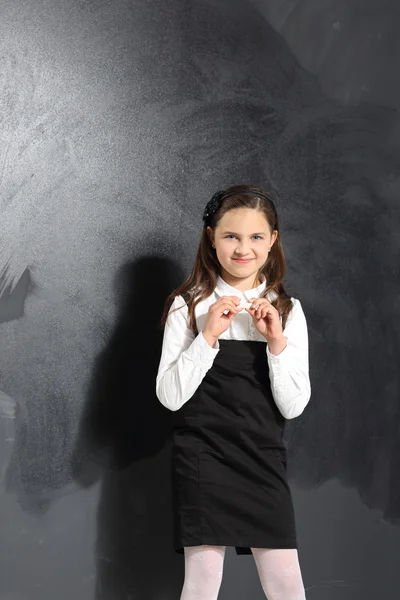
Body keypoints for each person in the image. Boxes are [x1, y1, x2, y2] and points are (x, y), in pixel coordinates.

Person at [156, 184, 311, 600]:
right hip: (203, 457)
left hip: (262, 458)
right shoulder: (187, 306)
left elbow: (293, 406)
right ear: (211, 237)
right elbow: (170, 397)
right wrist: (206, 335)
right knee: (202, 582)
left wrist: (276, 342)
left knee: (286, 585)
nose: (243, 249)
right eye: (231, 236)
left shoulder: (288, 310)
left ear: (272, 240)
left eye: (256, 237)